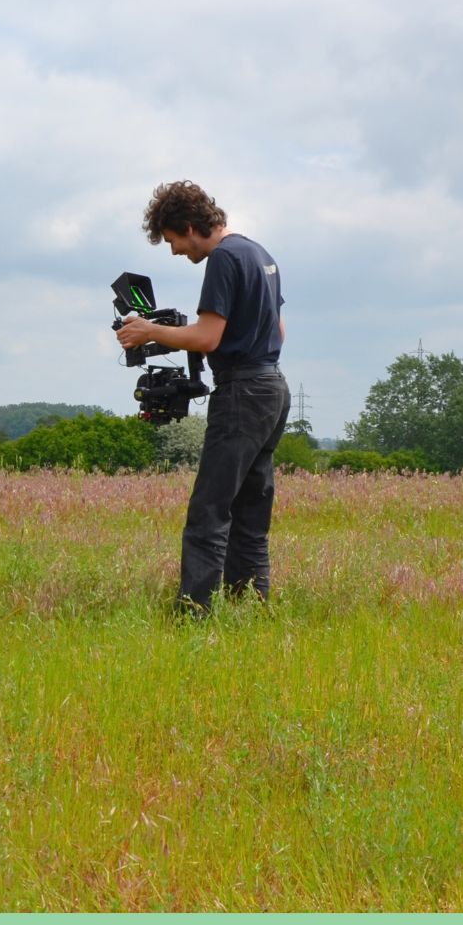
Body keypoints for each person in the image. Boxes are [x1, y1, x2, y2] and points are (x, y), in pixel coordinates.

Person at [116, 181, 288, 617]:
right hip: (271, 387)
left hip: (242, 393)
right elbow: (277, 330)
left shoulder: (224, 259)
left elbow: (209, 337)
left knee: (208, 512)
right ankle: (251, 607)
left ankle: (194, 617)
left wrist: (149, 331)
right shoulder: (259, 254)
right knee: (250, 513)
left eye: (172, 241)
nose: (174, 251)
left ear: (190, 227)